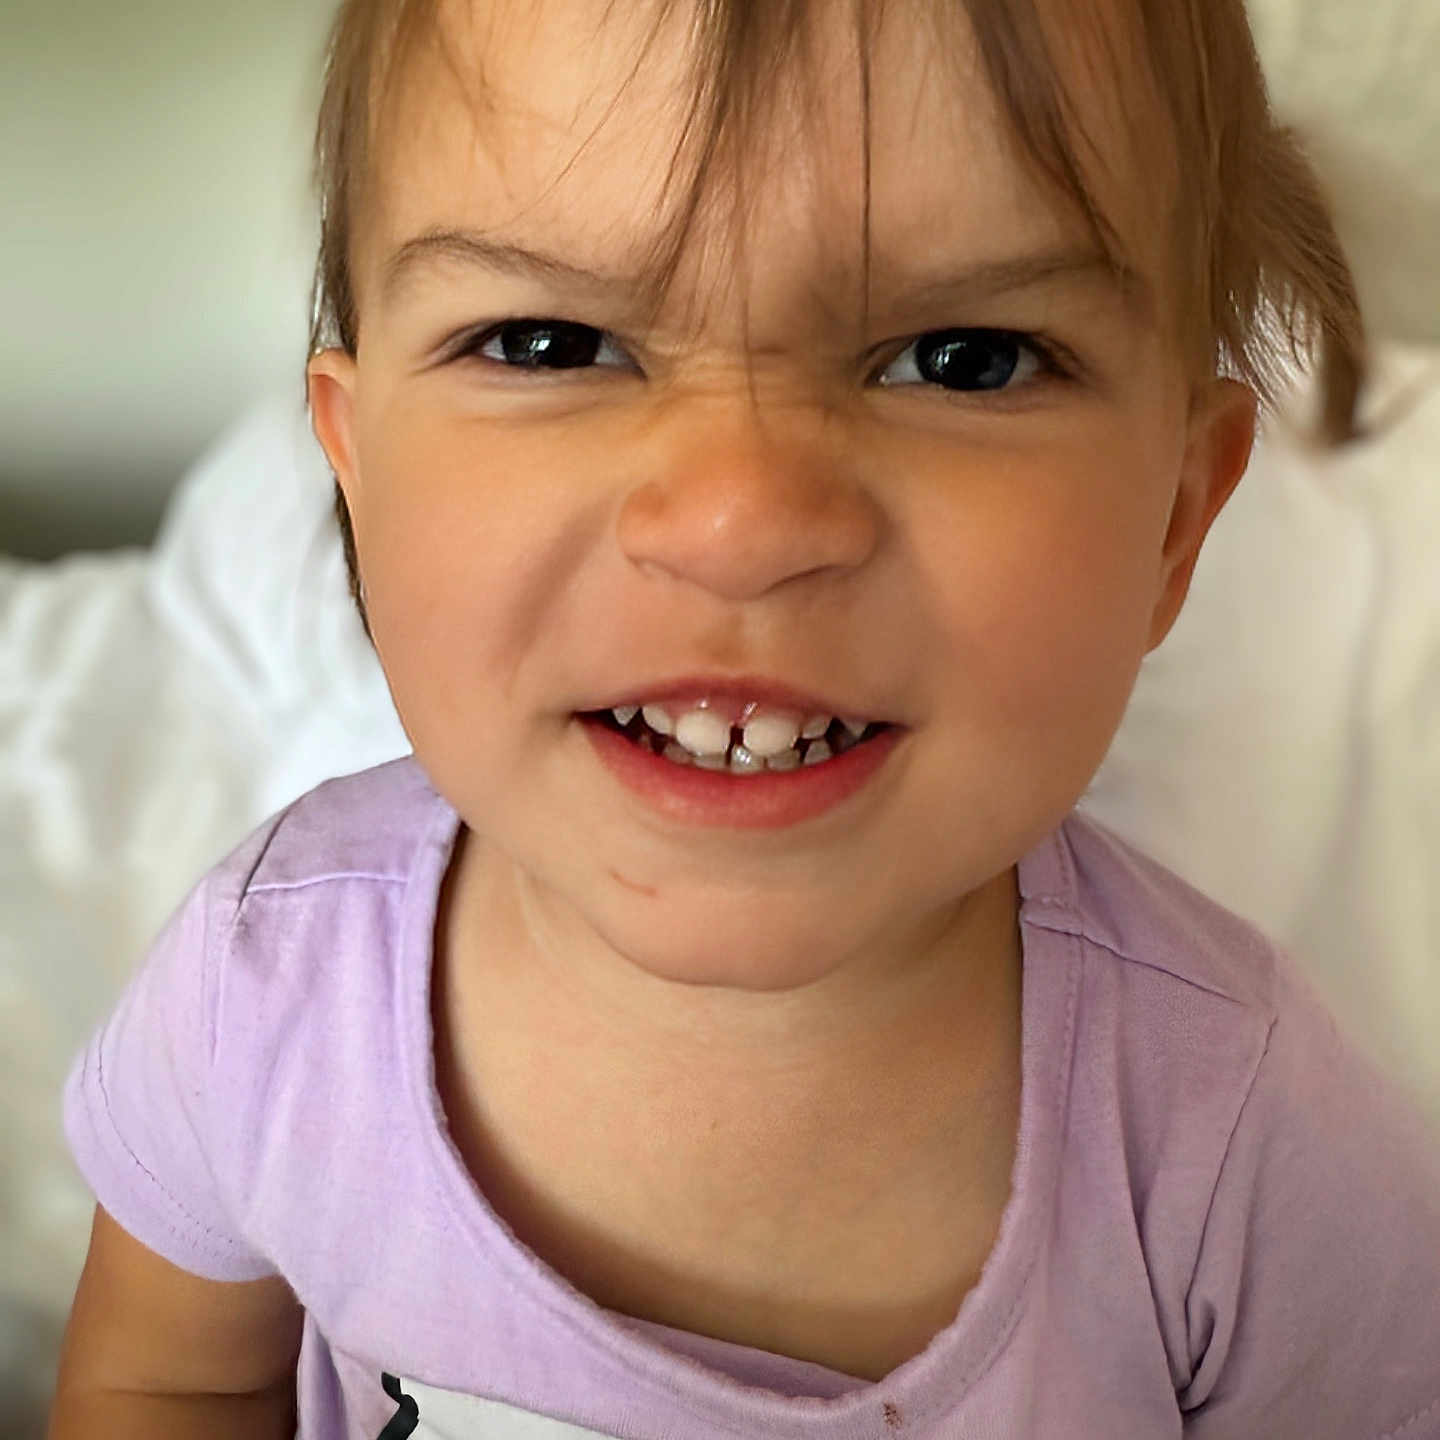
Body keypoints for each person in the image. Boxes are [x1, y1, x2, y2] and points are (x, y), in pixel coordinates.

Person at [47, 1, 1440, 1436]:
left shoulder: (1247, 1142)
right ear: (357, 472)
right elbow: (168, 1378)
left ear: (1175, 520)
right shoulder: (268, 986)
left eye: (964, 357)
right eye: (548, 342)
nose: (740, 521)